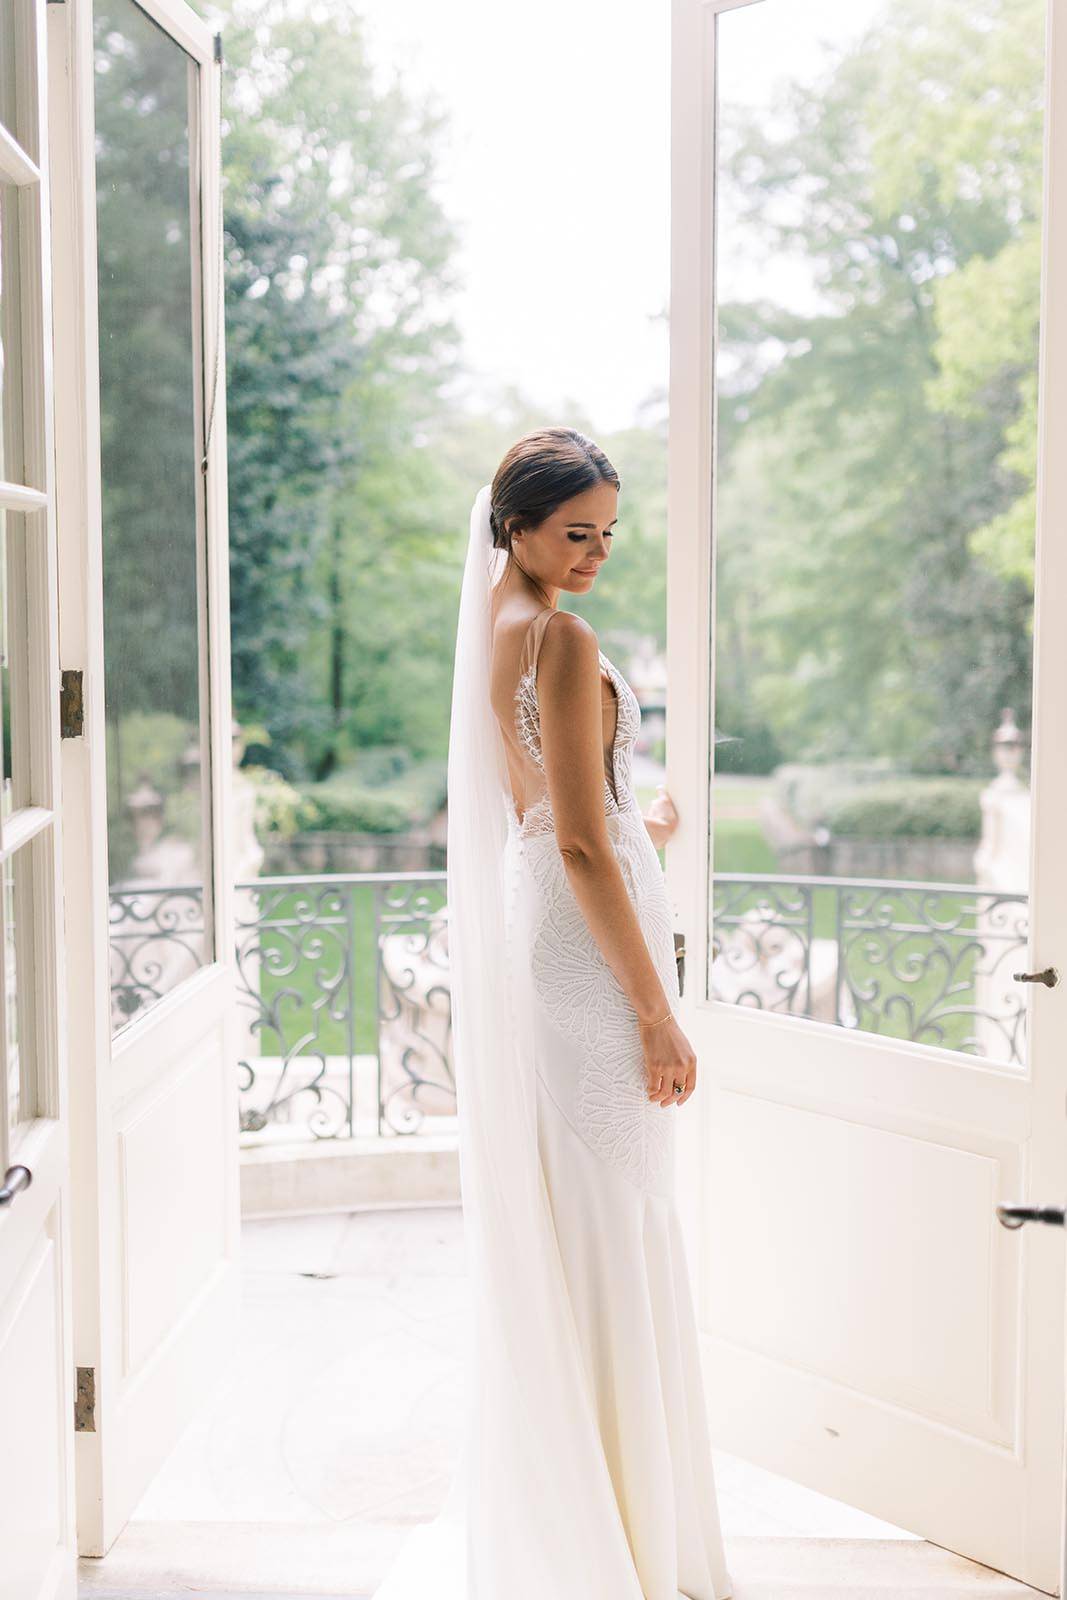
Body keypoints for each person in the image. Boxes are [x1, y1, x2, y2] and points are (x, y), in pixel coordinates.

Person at [373, 428, 732, 1600]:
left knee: (591, 1198)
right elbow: (577, 837)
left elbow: (555, 804)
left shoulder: (500, 628)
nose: (593, 555)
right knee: (610, 1203)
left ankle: (599, 1505)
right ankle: (619, 1534)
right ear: (513, 528)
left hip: (553, 915)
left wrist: (649, 828)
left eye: (606, 534)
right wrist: (655, 1014)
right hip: (586, 945)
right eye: (572, 533)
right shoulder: (562, 637)